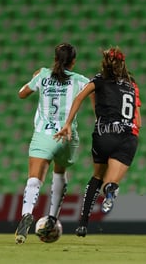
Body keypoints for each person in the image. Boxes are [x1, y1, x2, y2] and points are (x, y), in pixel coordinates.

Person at [54, 46, 141, 237]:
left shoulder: (98, 79)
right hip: (126, 136)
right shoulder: (131, 84)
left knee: (96, 176)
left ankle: (83, 224)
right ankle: (111, 189)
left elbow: (79, 97)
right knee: (110, 182)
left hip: (104, 134)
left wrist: (68, 123)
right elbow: (139, 121)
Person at [15, 43, 91, 244]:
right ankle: (51, 218)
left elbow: (21, 93)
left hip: (43, 134)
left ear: (55, 58)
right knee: (60, 171)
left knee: (35, 179)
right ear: (73, 61)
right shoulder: (81, 81)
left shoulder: (43, 75)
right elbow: (97, 91)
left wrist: (35, 76)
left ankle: (26, 215)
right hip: (66, 136)